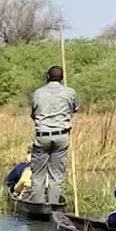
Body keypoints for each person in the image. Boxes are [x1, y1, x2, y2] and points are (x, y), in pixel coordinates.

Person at [25, 66, 77, 206]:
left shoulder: (38, 93)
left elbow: (33, 114)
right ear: (62, 78)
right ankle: (54, 207)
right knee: (56, 174)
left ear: (47, 76)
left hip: (42, 136)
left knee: (38, 173)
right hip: (61, 137)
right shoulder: (70, 92)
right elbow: (73, 110)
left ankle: (38, 205)